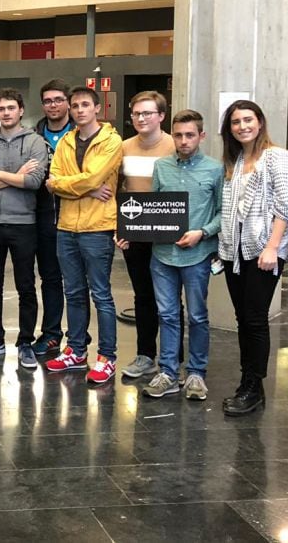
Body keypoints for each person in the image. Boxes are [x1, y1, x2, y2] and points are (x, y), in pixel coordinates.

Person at [217, 99, 288, 416]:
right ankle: (248, 383)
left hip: (263, 253)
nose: (242, 127)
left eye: (248, 120)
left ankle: (253, 386)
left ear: (260, 122)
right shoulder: (234, 160)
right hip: (233, 252)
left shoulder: (277, 156)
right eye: (236, 122)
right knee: (243, 320)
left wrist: (273, 248)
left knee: (254, 319)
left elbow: (285, 207)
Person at [140, 110, 223, 401]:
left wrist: (203, 231)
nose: (184, 141)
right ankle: (168, 372)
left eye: (190, 135)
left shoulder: (214, 169)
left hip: (197, 255)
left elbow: (223, 212)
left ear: (201, 136)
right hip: (162, 255)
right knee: (167, 315)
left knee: (198, 316)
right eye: (178, 135)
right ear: (172, 136)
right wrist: (136, 227)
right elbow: (155, 207)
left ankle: (197, 373)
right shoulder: (162, 166)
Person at [45, 86, 123, 384]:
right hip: (66, 227)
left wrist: (71, 184)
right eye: (75, 105)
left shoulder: (110, 141)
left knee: (101, 294)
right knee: (73, 293)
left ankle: (107, 356)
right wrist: (88, 188)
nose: (79, 110)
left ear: (97, 108)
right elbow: (52, 181)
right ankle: (76, 350)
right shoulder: (65, 141)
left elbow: (90, 176)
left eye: (85, 105)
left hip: (97, 227)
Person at [0, 88, 48, 369]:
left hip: (24, 224)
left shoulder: (36, 142)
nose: (6, 113)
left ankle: (25, 341)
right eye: (1, 108)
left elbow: (34, 182)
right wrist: (15, 176)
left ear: (21, 110)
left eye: (11, 108)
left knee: (26, 285)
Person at [116, 91, 177, 379]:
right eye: (137, 113)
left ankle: (171, 359)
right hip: (135, 233)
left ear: (161, 116)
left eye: (148, 113)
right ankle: (145, 355)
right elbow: (119, 189)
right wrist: (120, 227)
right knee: (143, 296)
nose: (141, 118)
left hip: (168, 233)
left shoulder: (175, 146)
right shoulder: (124, 147)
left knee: (169, 298)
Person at [31, 79, 72, 358]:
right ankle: (52, 333)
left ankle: (79, 334)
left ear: (67, 102)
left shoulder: (81, 134)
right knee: (49, 278)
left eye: (58, 99)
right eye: (48, 101)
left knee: (79, 280)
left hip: (79, 216)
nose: (53, 105)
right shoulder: (33, 136)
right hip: (43, 216)